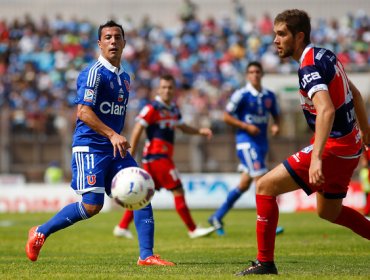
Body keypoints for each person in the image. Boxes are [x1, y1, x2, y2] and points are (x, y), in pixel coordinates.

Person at [25, 20, 174, 266]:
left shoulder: (125, 77)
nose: (113, 41)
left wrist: (117, 138)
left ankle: (146, 255)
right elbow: (83, 112)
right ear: (99, 43)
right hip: (90, 147)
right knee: (92, 206)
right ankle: (40, 231)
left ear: (124, 43)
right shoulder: (94, 73)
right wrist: (112, 134)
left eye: (117, 37)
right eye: (107, 37)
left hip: (115, 148)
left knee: (141, 190)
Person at [236, 9, 370, 275]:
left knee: (264, 186)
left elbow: (327, 110)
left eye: (281, 34)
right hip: (349, 145)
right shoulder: (325, 55)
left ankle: (265, 263)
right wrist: (365, 133)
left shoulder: (308, 65)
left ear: (298, 36)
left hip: (334, 147)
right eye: (274, 33)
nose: (275, 40)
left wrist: (317, 157)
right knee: (328, 211)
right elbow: (354, 93)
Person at [113, 74, 216, 239]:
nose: (167, 91)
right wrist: (130, 154)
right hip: (157, 157)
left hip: (159, 158)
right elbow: (138, 128)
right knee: (177, 189)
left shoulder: (173, 109)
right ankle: (192, 229)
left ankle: (122, 226)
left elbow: (182, 127)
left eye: (170, 88)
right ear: (158, 90)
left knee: (143, 194)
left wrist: (199, 131)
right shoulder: (152, 108)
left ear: (174, 90)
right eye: (164, 87)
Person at [208, 61, 283, 236]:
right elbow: (226, 116)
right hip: (246, 142)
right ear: (247, 75)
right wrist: (245, 126)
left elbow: (277, 116)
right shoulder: (241, 95)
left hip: (261, 143)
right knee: (262, 181)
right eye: (251, 72)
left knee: (243, 184)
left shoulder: (269, 96)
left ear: (262, 74)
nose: (255, 74)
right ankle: (268, 222)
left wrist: (276, 126)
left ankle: (216, 217)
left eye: (257, 71)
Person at [359, 146, 370, 217]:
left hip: (366, 171)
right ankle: (366, 212)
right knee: (368, 193)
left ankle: (366, 212)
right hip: (366, 172)